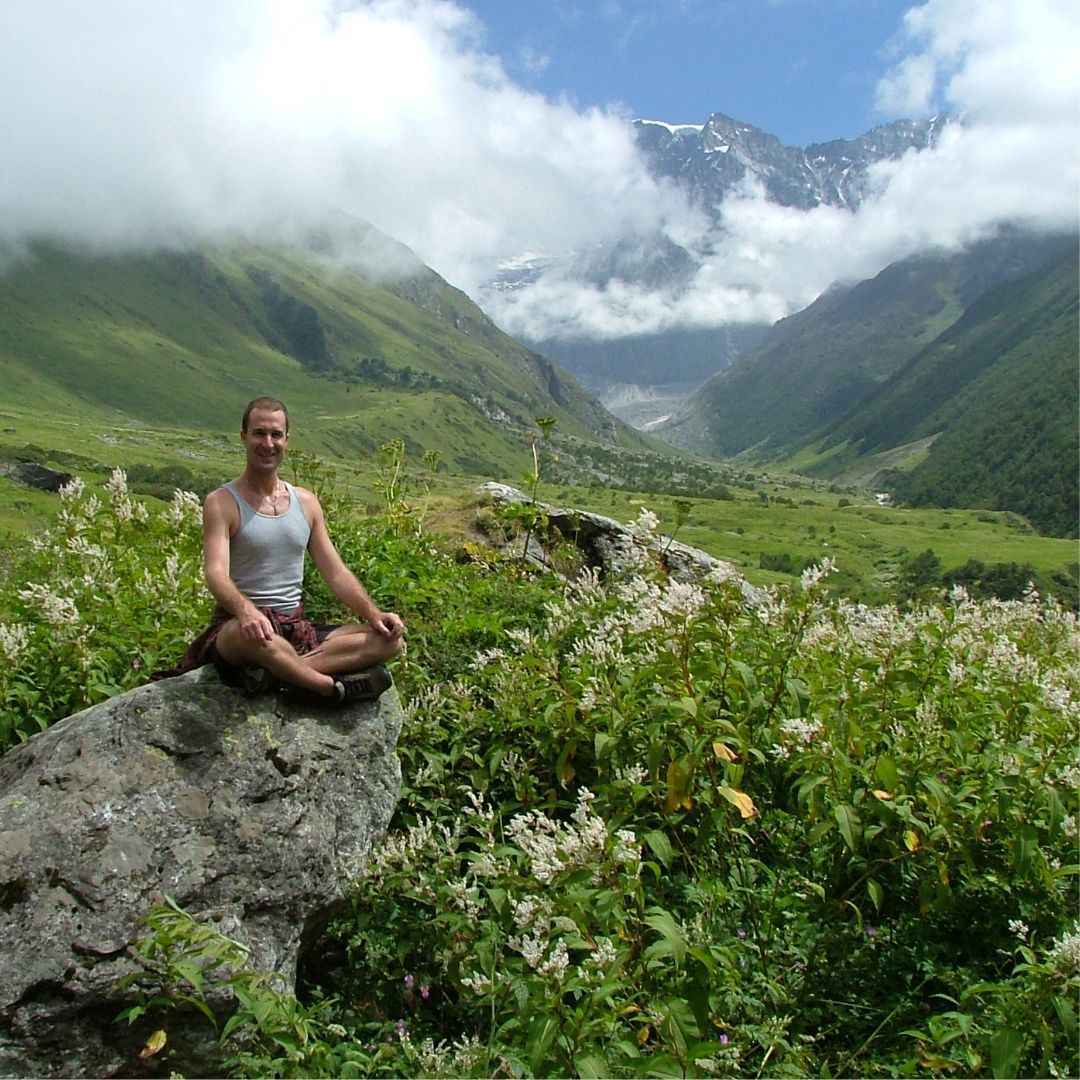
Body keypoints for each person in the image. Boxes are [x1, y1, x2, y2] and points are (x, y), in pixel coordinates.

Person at [163, 396, 404, 703]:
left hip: (294, 626)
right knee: (258, 640)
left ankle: (277, 674)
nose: (268, 443)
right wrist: (246, 611)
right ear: (243, 436)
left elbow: (336, 572)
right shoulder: (221, 502)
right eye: (259, 433)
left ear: (287, 440)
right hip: (241, 628)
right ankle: (327, 689)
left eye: (276, 434)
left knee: (390, 642)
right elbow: (216, 573)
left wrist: (374, 614)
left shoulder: (306, 502)